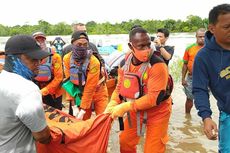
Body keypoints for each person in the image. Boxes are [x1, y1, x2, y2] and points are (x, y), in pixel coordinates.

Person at [105, 27, 172, 153]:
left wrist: (125, 107)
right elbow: (120, 87)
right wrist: (113, 102)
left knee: (153, 149)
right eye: (141, 46)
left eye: (148, 45)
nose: (146, 50)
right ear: (131, 46)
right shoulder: (124, 63)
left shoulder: (158, 65)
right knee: (125, 142)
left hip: (158, 112)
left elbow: (153, 98)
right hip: (135, 110)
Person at [0, 35, 51, 152]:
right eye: (33, 59)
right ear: (14, 59)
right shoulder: (28, 90)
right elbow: (42, 136)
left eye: (40, 59)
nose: (38, 63)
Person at [192, 4, 230, 152]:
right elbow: (200, 90)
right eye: (227, 27)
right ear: (212, 28)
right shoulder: (203, 57)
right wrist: (206, 117)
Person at [63, 31, 108, 120]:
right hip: (81, 93)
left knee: (103, 120)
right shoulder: (67, 59)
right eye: (79, 44)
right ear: (72, 44)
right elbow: (69, 84)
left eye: (85, 44)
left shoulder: (94, 62)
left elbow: (90, 87)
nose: (82, 47)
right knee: (83, 122)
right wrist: (74, 106)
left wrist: (83, 109)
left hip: (98, 91)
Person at [33, 31, 64, 110]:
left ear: (45, 41)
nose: (40, 43)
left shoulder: (55, 57)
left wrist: (44, 91)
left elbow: (59, 78)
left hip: (54, 93)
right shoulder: (30, 58)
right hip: (36, 92)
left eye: (42, 40)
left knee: (56, 116)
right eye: (37, 40)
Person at [182, 28, 206, 114]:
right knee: (189, 98)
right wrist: (183, 78)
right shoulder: (189, 48)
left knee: (205, 99)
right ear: (196, 37)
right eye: (200, 36)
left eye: (204, 37)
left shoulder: (210, 48)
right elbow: (185, 64)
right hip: (191, 77)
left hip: (206, 79)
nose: (202, 38)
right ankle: (187, 117)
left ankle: (205, 118)